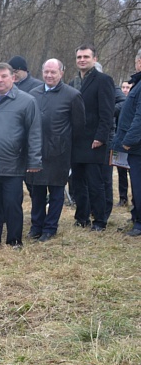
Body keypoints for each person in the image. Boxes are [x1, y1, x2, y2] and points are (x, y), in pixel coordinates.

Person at [0, 62, 42, 252]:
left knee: (12, 204)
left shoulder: (27, 101)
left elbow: (34, 132)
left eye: (4, 76)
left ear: (13, 78)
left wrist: (34, 160)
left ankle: (14, 241)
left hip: (13, 163)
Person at [26, 59, 85, 241]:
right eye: (46, 72)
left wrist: (63, 144)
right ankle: (36, 226)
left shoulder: (72, 95)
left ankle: (50, 228)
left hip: (59, 153)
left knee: (56, 191)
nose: (49, 75)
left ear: (61, 73)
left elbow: (79, 126)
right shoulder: (33, 94)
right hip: (36, 151)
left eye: (53, 72)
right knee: (37, 192)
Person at [70, 44, 114, 231]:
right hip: (76, 141)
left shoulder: (103, 80)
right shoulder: (72, 83)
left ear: (94, 59)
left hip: (94, 141)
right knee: (77, 182)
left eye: (86, 57)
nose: (82, 60)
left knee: (95, 183)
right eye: (79, 57)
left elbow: (107, 112)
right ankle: (82, 217)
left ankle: (100, 220)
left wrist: (101, 137)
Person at [112, 48, 141, 237]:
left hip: (137, 147)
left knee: (139, 185)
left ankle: (139, 224)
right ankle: (136, 218)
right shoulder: (138, 83)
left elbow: (139, 117)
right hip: (135, 147)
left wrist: (129, 141)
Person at [116, 79, 133, 207]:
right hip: (119, 141)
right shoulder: (118, 105)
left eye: (128, 87)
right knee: (121, 170)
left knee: (132, 172)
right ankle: (123, 198)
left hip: (132, 142)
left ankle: (135, 199)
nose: (125, 90)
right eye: (123, 87)